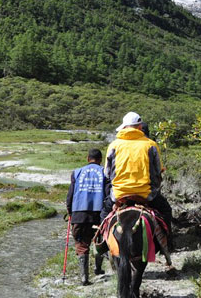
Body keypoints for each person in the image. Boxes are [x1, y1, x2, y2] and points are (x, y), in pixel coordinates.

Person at [101, 112, 173, 249]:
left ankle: (103, 245)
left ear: (124, 127)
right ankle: (167, 243)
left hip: (119, 195)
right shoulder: (151, 145)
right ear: (139, 127)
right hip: (146, 195)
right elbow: (158, 171)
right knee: (166, 210)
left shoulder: (114, 145)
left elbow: (107, 173)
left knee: (104, 213)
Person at [66, 148, 106, 286]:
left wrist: (70, 212)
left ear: (88, 158)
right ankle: (98, 268)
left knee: (81, 245)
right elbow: (107, 194)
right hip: (98, 213)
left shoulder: (76, 172)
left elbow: (70, 196)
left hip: (79, 213)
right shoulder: (104, 172)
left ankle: (84, 278)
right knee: (99, 240)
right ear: (101, 159)